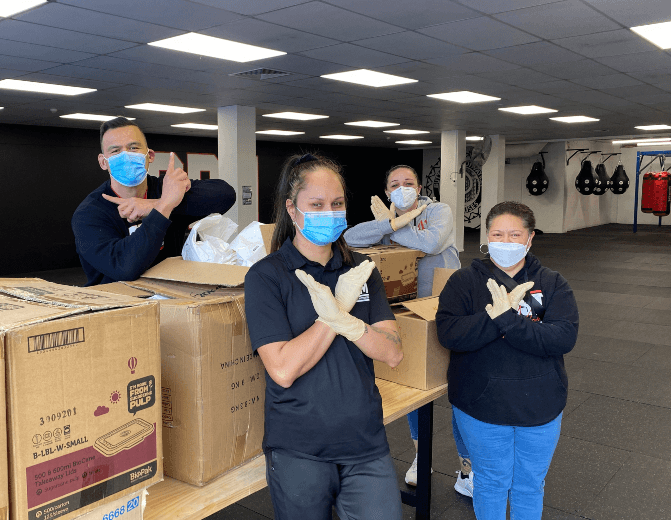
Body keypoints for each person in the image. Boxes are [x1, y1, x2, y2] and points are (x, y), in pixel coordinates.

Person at [244, 153, 404, 520]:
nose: (329, 213)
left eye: (337, 204)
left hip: (365, 441)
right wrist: (331, 318)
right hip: (299, 447)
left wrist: (351, 323)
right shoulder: (267, 277)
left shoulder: (362, 271)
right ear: (292, 209)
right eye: (316, 205)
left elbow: (393, 352)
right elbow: (282, 369)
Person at [435, 201, 579, 520]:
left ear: (530, 239)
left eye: (515, 234)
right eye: (498, 234)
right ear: (487, 237)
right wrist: (494, 317)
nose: (506, 241)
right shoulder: (463, 282)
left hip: (541, 404)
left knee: (529, 485)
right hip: (480, 404)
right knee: (491, 483)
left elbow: (562, 337)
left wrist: (511, 322)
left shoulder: (553, 283)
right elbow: (450, 334)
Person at [344, 165, 471, 496]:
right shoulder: (385, 221)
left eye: (409, 183)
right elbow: (350, 238)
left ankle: (468, 467)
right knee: (415, 387)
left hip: (448, 307)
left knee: (460, 389)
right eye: (395, 184)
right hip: (409, 310)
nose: (403, 188)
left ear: (419, 186)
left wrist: (393, 226)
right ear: (387, 191)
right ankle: (421, 457)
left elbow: (429, 243)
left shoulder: (438, 210)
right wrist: (389, 223)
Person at [72, 117, 236, 285]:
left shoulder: (165, 189)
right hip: (120, 304)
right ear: (103, 162)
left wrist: (153, 204)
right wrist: (163, 207)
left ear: (149, 156)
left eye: (133, 147)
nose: (126, 156)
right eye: (115, 151)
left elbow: (225, 195)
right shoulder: (90, 213)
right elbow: (123, 267)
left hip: (174, 297)